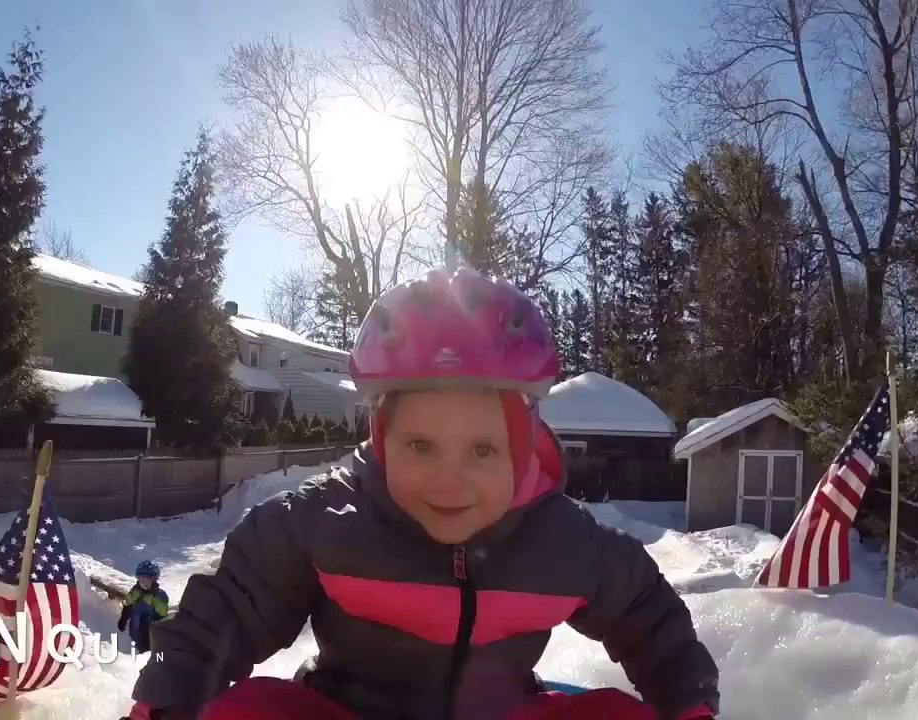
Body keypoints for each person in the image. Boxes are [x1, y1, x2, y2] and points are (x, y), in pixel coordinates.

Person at [125, 267, 719, 720]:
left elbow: (647, 614)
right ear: (382, 441)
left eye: (483, 451)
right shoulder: (329, 522)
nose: (449, 478)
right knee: (248, 711)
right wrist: (171, 692)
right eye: (421, 446)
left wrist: (686, 699)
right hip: (353, 710)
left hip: (500, 712)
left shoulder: (562, 541)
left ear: (523, 447)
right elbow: (228, 606)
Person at [118, 560, 169, 654]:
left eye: (148, 579)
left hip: (150, 629)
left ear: (154, 580)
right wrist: (123, 619)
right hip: (135, 628)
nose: (144, 582)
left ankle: (147, 652)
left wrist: (155, 601)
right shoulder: (135, 591)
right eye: (142, 579)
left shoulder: (159, 595)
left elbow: (163, 614)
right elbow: (128, 604)